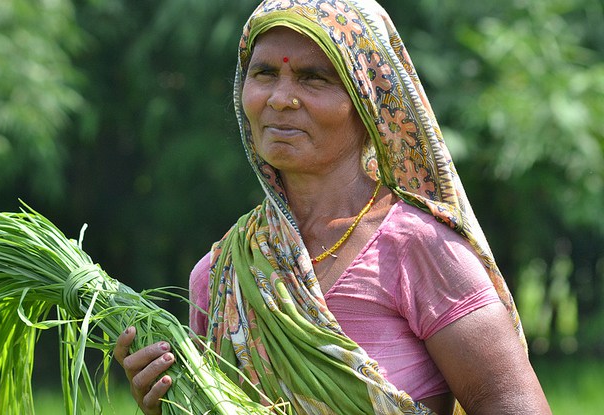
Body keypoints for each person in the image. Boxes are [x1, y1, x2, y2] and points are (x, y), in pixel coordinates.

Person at [115, 0, 551, 413]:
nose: (280, 98)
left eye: (314, 78)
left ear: (366, 103)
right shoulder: (222, 275)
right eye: (264, 73)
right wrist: (170, 403)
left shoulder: (419, 250)